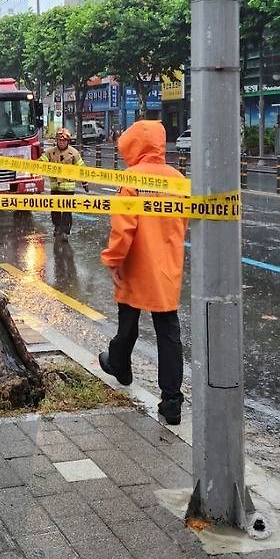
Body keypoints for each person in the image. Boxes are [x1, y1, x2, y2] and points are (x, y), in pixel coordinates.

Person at [99, 119, 188, 425]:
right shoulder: (178, 180)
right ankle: (172, 400)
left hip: (136, 263)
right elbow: (183, 222)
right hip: (167, 266)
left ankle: (119, 365)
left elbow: (123, 227)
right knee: (168, 332)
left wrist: (113, 259)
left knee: (128, 322)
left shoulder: (132, 179)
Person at [39, 127, 88, 240]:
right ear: (56, 141)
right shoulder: (51, 152)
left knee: (66, 210)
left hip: (68, 189)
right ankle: (57, 227)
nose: (61, 142)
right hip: (55, 186)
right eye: (60, 140)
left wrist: (85, 183)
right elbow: (40, 163)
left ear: (68, 141)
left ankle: (65, 231)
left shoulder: (74, 153)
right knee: (55, 209)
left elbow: (82, 169)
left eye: (64, 141)